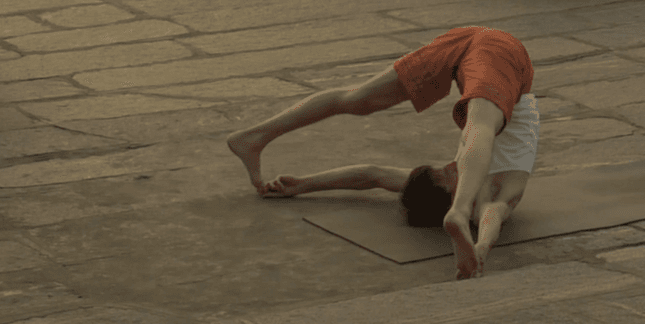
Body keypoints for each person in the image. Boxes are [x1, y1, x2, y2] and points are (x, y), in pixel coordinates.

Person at [226, 26, 539, 280]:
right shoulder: (492, 195)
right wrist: (481, 248)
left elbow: (372, 175)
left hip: (467, 45)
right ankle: (455, 212)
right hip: (503, 54)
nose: (449, 165)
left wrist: (304, 184)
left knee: (358, 99)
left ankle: (253, 138)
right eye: (448, 173)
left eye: (443, 171)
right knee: (480, 125)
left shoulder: (447, 182)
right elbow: (492, 215)